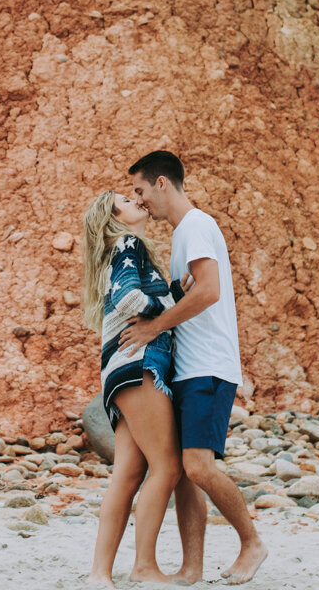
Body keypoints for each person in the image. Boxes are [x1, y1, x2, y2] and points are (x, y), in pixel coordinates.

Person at [121, 151, 268, 586]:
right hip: (187, 368)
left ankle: (252, 542)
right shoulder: (184, 234)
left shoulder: (197, 225)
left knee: (199, 467)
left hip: (208, 366)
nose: (140, 200)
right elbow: (190, 291)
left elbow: (209, 291)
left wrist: (153, 329)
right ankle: (191, 569)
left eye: (141, 190)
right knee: (186, 477)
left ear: (162, 183)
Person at [81, 190, 183, 586]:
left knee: (127, 473)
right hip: (140, 364)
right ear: (113, 217)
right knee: (167, 466)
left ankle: (100, 574)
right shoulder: (127, 243)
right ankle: (144, 567)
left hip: (122, 368)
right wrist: (176, 298)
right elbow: (129, 299)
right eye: (126, 199)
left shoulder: (122, 249)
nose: (137, 201)